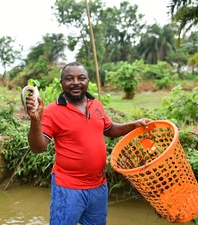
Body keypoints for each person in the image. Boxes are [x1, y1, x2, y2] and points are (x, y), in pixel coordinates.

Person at [24, 61, 152, 225]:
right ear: (61, 83)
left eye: (81, 78)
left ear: (87, 81)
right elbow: (37, 147)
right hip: (68, 189)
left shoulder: (96, 105)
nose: (76, 82)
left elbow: (109, 129)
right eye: (69, 78)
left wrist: (134, 124)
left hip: (98, 187)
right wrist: (35, 120)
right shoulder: (51, 111)